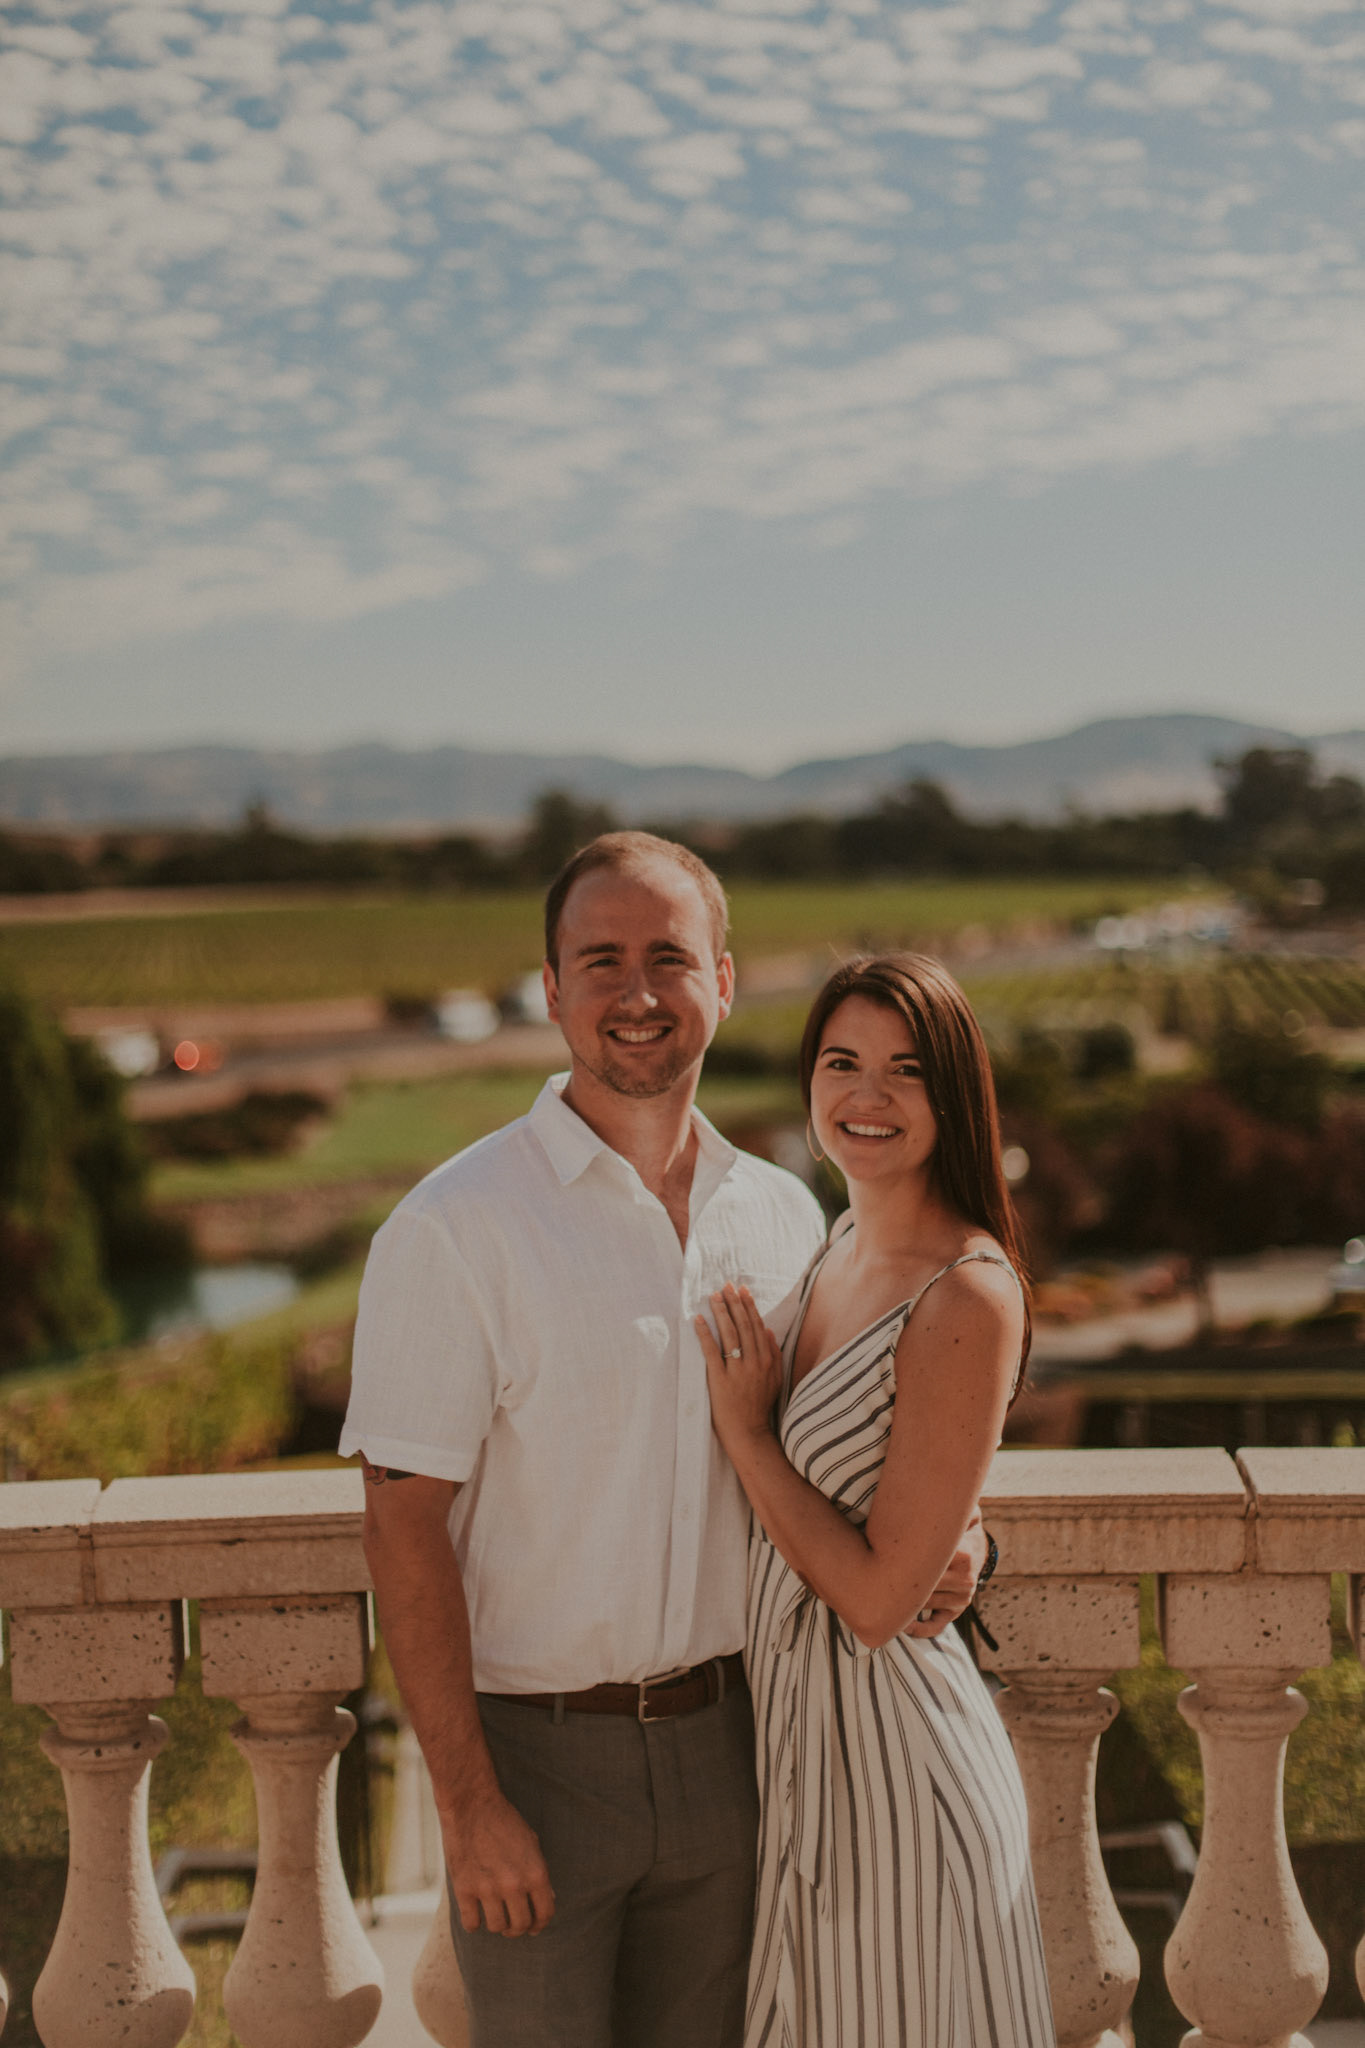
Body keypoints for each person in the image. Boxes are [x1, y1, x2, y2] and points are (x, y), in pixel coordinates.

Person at [342, 837, 987, 2048]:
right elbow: (402, 1523)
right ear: (551, 989)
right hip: (537, 1761)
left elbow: (853, 1444)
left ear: (724, 983)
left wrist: (959, 1543)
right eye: (602, 960)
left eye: (668, 959)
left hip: (746, 1750)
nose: (637, 994)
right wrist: (470, 1805)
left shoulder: (784, 1211)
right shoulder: (452, 1227)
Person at [697, 952, 1056, 2048]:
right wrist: (964, 1535)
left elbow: (872, 1600)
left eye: (905, 1069)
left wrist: (749, 1432)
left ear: (953, 1096)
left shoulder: (969, 1291)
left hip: (902, 1775)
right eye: (842, 1061)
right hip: (805, 1770)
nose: (867, 1094)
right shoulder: (834, 1241)